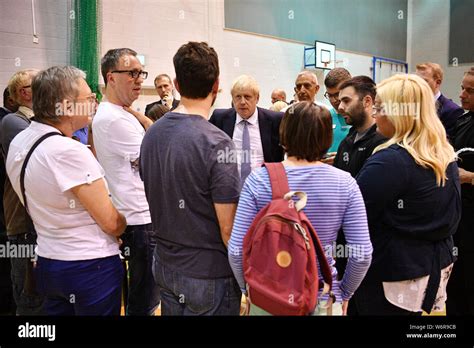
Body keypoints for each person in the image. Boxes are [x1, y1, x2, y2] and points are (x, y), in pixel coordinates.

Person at [228, 101, 372, 315]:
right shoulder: (345, 183)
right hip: (321, 295)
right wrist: (344, 292)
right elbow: (362, 254)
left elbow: (236, 250)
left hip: (269, 294)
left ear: (283, 133)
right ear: (327, 138)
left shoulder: (258, 180)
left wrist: (247, 289)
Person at [6, 66, 126, 315]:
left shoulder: (21, 140)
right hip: (89, 267)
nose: (95, 102)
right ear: (67, 107)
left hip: (49, 260)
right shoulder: (68, 150)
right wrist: (123, 222)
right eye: (89, 98)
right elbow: (111, 223)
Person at [140, 41, 241, 315]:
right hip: (207, 275)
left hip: (164, 264)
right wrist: (245, 283)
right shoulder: (218, 143)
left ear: (176, 84)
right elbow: (228, 230)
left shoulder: (151, 134)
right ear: (217, 85)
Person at [354, 74, 461, 315]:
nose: (374, 114)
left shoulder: (390, 161)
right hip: (430, 267)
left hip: (393, 274)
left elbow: (356, 218)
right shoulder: (444, 153)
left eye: (379, 108)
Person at [92, 48, 160, 316]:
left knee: (144, 295)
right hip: (139, 219)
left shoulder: (123, 113)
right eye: (131, 73)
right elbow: (155, 160)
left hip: (138, 215)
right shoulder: (113, 118)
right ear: (111, 77)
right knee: (144, 299)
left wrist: (140, 116)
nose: (138, 79)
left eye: (140, 73)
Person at [0, 69, 44, 315]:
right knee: (29, 297)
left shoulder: (40, 120)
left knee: (43, 295)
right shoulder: (13, 121)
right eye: (36, 84)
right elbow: (38, 158)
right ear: (21, 93)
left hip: (39, 223)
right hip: (22, 225)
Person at [210, 75, 284, 186]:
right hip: (229, 189)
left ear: (257, 98)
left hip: (265, 188)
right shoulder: (220, 118)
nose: (242, 102)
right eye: (238, 97)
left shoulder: (275, 120)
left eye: (247, 97)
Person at [448, 66, 474, 315]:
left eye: (470, 90)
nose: (462, 95)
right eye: (462, 88)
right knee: (454, 292)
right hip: (458, 222)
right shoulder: (463, 120)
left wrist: (471, 178)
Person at [333, 76, 387, 177]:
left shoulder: (382, 144)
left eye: (346, 101)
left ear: (367, 101)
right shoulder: (347, 141)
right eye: (340, 101)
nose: (340, 107)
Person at [416, 62, 464, 141]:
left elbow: (448, 144)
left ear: (438, 82)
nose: (418, 85)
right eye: (416, 81)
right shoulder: (412, 105)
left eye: (424, 81)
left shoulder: (452, 110)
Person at [323, 68, 352, 156]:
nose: (333, 100)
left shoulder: (360, 118)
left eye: (337, 94)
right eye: (329, 95)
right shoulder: (325, 117)